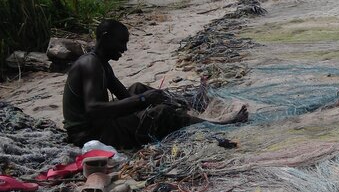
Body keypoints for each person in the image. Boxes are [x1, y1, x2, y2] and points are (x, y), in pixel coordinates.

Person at [63, 19, 248, 149]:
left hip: (98, 123)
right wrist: (144, 100)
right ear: (105, 37)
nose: (124, 49)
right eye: (121, 42)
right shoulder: (91, 64)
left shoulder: (101, 63)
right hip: (90, 134)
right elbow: (93, 108)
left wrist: (146, 97)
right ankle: (216, 124)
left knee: (137, 87)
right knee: (160, 114)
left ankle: (187, 106)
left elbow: (126, 95)